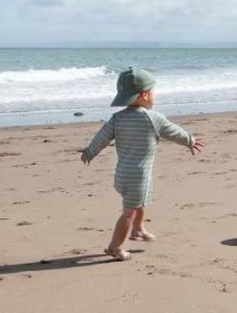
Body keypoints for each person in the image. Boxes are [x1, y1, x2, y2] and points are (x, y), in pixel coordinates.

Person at [81, 67, 203, 261]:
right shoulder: (153, 118)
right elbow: (174, 132)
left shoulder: (117, 118)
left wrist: (89, 152)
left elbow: (102, 137)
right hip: (138, 176)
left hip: (121, 176)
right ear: (145, 95)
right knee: (128, 212)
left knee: (139, 203)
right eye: (153, 92)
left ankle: (138, 230)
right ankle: (115, 246)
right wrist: (190, 140)